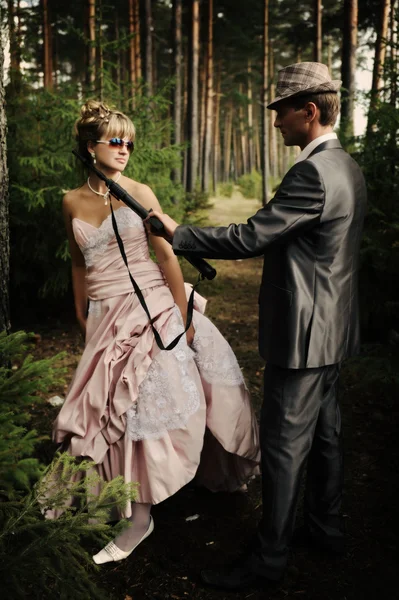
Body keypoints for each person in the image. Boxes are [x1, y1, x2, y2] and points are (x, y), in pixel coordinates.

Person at [147, 62, 367, 590]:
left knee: (286, 443)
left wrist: (181, 234)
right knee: (327, 435)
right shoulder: (348, 167)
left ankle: (268, 560)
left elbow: (252, 237)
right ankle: (325, 529)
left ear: (308, 111)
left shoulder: (312, 172)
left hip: (304, 333)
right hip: (334, 327)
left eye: (282, 112)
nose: (276, 123)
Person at [50, 100, 260, 565]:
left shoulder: (140, 191)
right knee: (110, 408)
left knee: (147, 396)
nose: (125, 149)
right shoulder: (70, 201)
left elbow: (166, 256)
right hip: (104, 312)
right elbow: (78, 261)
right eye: (115, 141)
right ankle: (124, 500)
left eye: (129, 142)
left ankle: (140, 517)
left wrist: (182, 316)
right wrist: (82, 313)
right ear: (91, 147)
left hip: (151, 304)